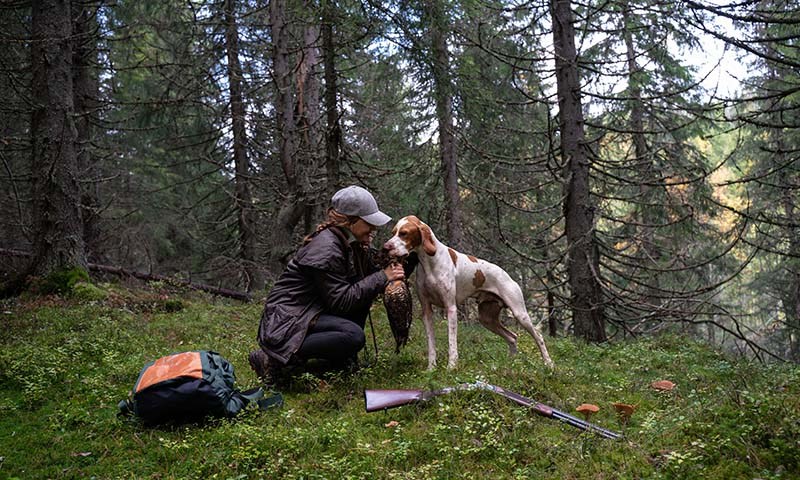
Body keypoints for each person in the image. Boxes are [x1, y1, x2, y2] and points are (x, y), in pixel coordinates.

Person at [249, 186, 405, 385]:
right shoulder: (327, 248)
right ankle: (273, 360)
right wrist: (383, 276)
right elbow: (342, 301)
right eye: (369, 223)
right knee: (352, 336)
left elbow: (366, 276)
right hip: (286, 320)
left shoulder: (347, 241)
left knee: (363, 290)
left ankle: (338, 361)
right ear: (351, 221)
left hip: (308, 311)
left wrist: (396, 256)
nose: (373, 229)